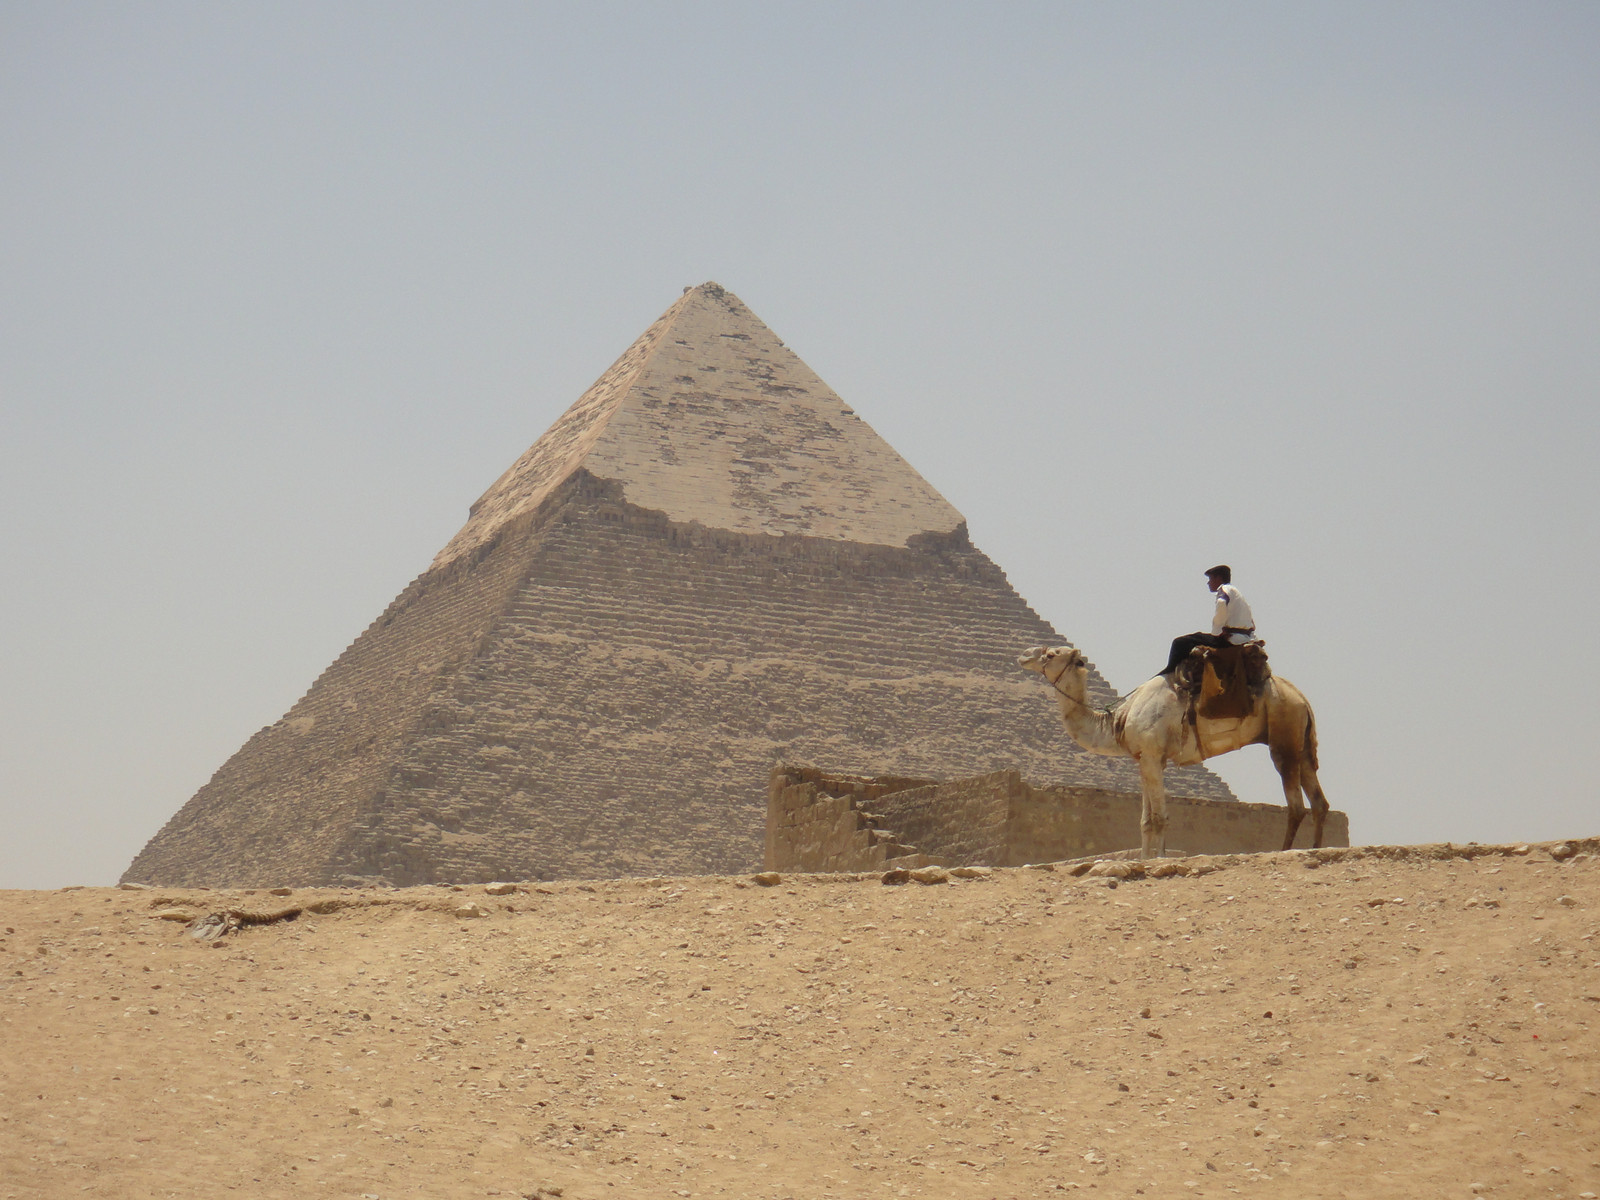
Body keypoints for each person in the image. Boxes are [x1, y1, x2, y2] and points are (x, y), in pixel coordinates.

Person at [1160, 565, 1256, 676]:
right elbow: (1252, 624)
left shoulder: (1224, 589)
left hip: (1230, 639)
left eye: (1210, 579)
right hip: (1245, 638)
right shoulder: (1238, 595)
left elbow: (1221, 604)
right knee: (1197, 636)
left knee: (1180, 642)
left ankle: (1170, 672)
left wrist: (1216, 633)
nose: (1208, 583)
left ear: (1218, 578)